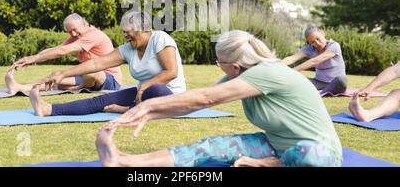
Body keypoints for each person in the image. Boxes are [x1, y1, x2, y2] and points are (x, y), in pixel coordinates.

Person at [94, 30, 343, 167]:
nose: (217, 65)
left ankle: (269, 165)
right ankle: (125, 162)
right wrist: (147, 113)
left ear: (234, 66)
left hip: (321, 154)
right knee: (210, 147)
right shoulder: (242, 74)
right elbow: (190, 103)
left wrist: (150, 104)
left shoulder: (268, 73)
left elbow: (205, 98)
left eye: (218, 62)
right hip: (277, 145)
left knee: (308, 157)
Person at [29, 11, 186, 116]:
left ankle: (127, 110)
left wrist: (145, 87)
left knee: (156, 88)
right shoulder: (128, 49)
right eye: (123, 31)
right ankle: (48, 109)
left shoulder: (160, 38)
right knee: (100, 100)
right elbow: (96, 64)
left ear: (143, 28)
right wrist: (62, 74)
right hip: (143, 95)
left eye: (128, 31)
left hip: (171, 97)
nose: (125, 35)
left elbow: (171, 72)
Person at [6, 13, 122, 93]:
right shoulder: (77, 36)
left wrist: (33, 59)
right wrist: (32, 58)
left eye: (75, 29)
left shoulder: (94, 35)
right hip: (88, 75)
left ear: (84, 23)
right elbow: (56, 49)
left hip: (110, 81)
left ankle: (80, 87)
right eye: (69, 32)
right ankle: (21, 87)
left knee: (91, 74)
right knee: (57, 75)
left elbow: (62, 51)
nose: (73, 34)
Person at [282, 27, 348, 95]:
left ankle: (323, 91)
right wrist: (276, 65)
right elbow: (292, 58)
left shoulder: (334, 46)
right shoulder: (310, 49)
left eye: (318, 39)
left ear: (323, 34)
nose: (317, 43)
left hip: (337, 82)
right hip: (318, 82)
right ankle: (324, 91)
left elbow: (314, 61)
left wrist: (292, 71)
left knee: (341, 80)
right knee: (296, 79)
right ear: (309, 43)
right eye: (313, 42)